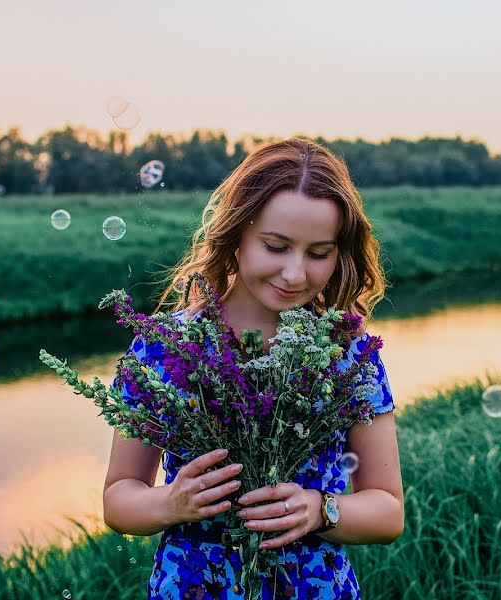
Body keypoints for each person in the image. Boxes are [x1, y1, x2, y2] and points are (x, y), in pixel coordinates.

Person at [103, 138, 404, 599]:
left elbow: (388, 511)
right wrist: (171, 502)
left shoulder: (350, 355)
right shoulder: (165, 347)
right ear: (236, 235)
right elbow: (119, 499)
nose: (295, 273)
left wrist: (319, 510)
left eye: (319, 253)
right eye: (276, 246)